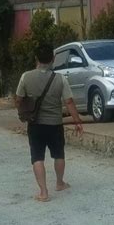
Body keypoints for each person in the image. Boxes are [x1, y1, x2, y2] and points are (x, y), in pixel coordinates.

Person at [15, 43, 83, 202]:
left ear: (36, 59)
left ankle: (44, 192)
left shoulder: (26, 76)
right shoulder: (60, 78)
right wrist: (77, 121)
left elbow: (18, 100)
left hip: (35, 124)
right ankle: (59, 183)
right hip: (55, 124)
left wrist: (23, 113)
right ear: (53, 59)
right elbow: (70, 102)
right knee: (59, 154)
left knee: (37, 157)